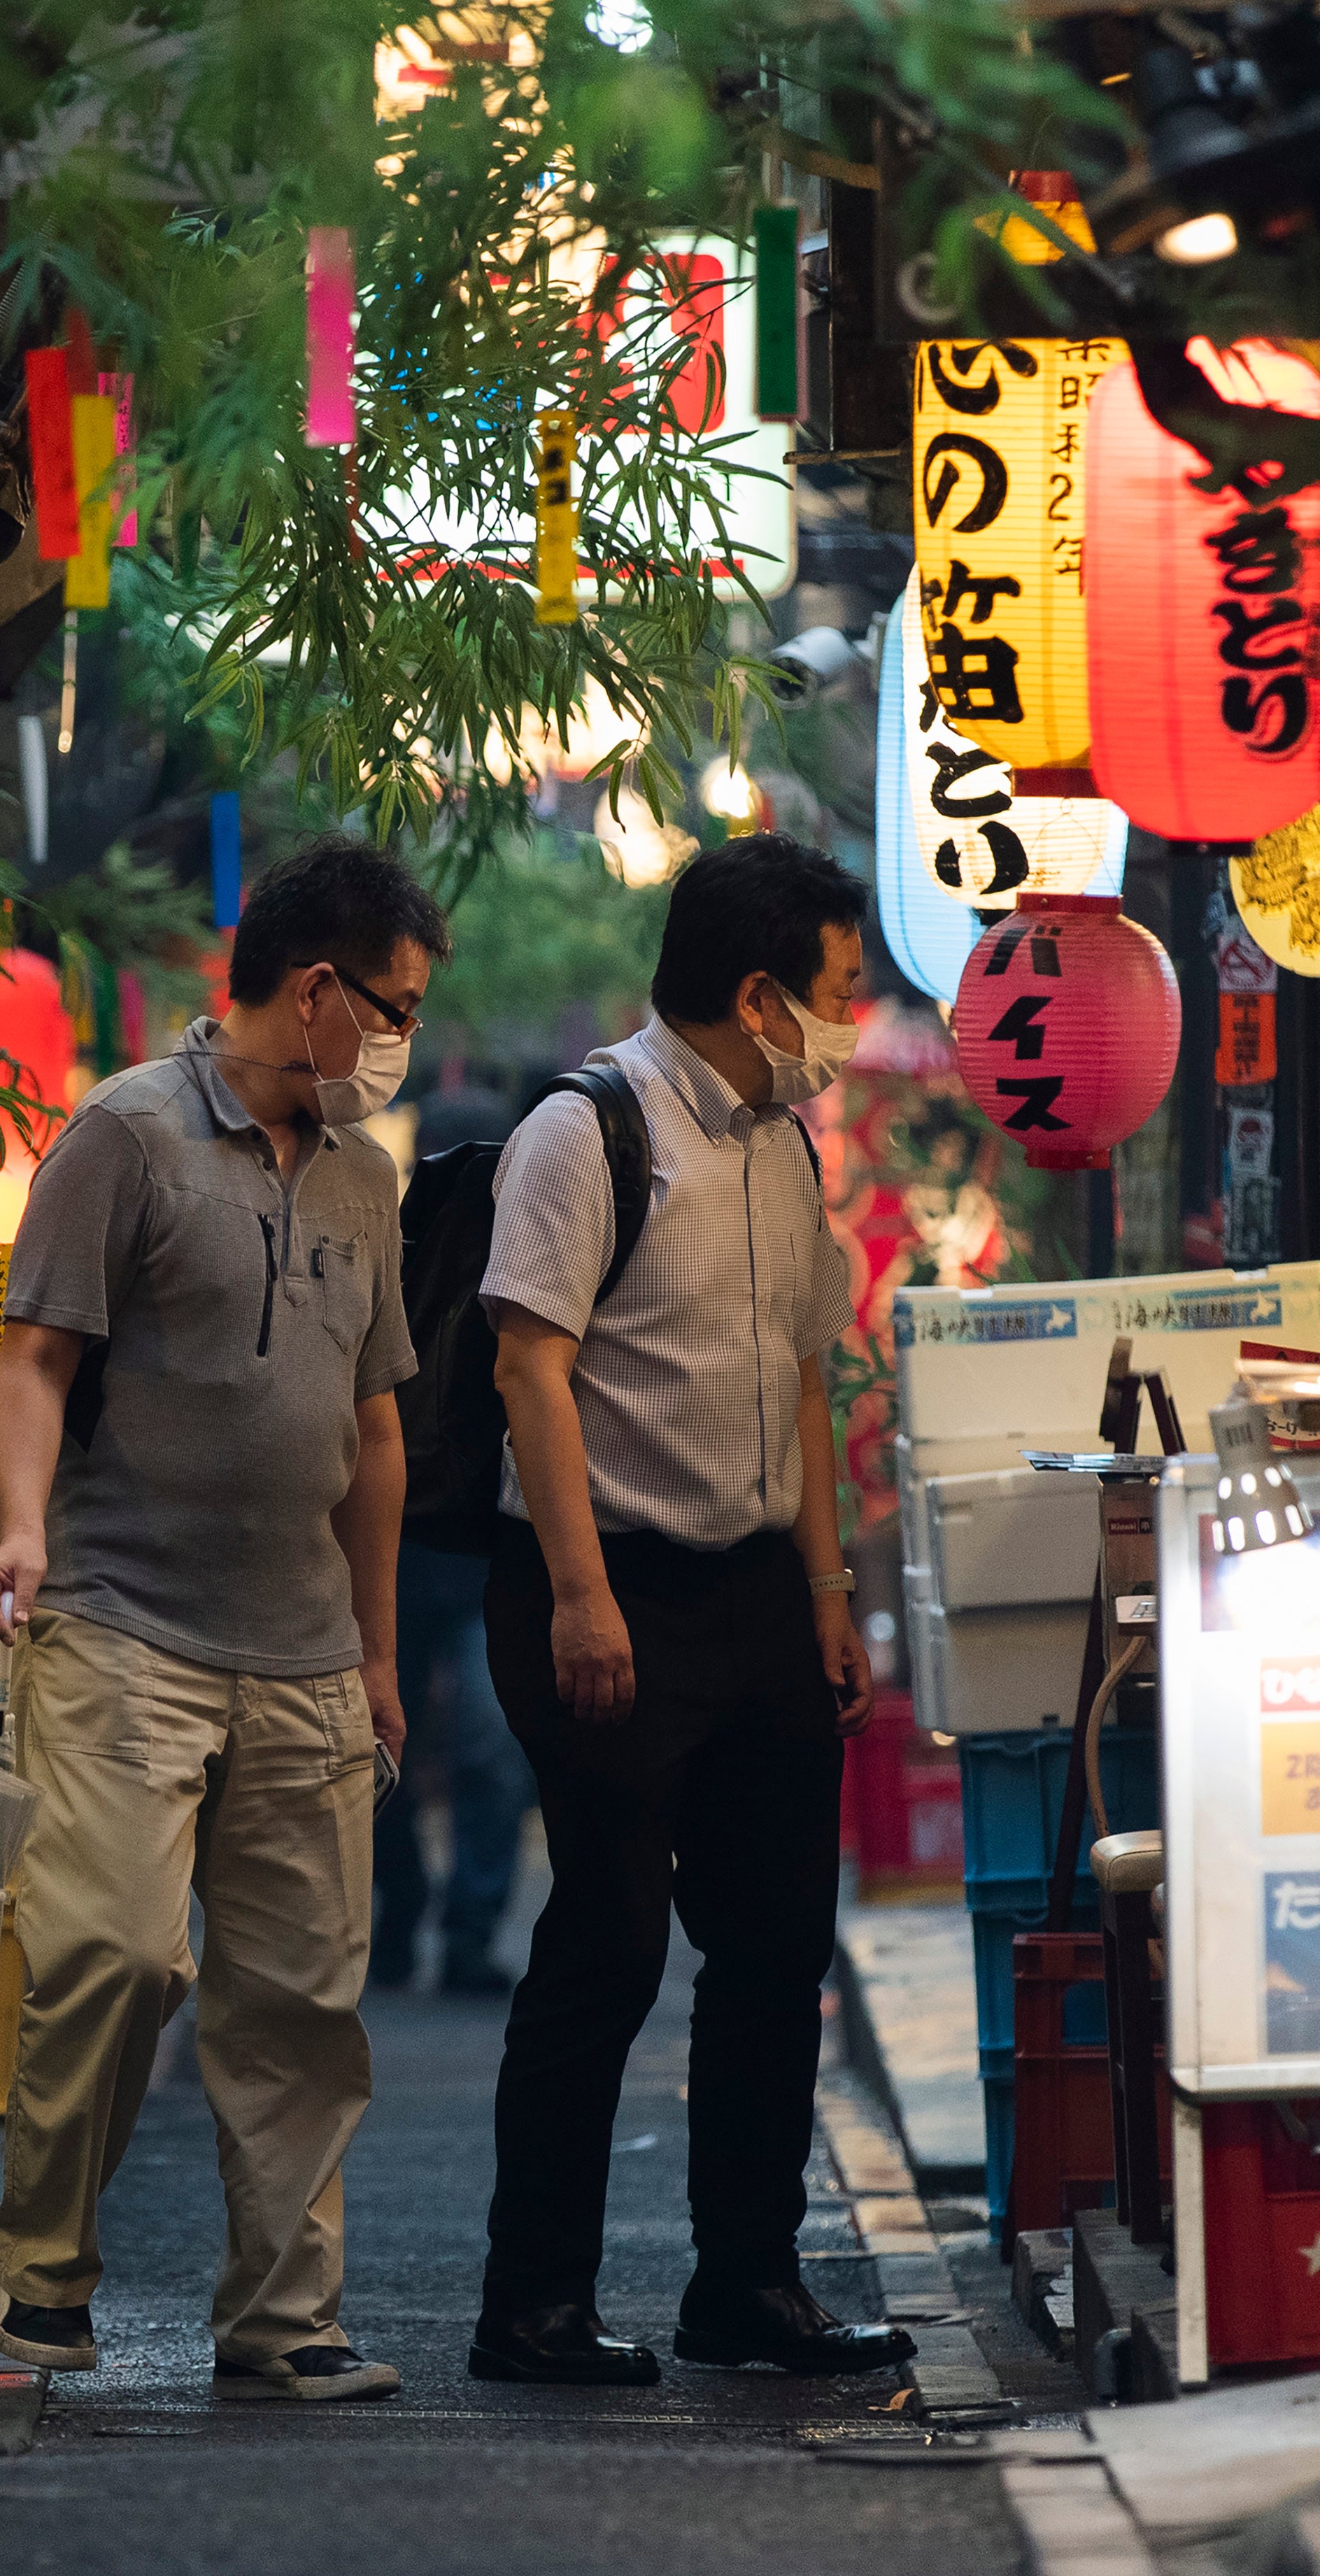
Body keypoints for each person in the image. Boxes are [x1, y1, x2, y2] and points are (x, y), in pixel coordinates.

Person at [0, 839, 443, 2403]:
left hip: (306, 1651)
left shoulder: (369, 1180)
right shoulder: (125, 1135)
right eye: (391, 1009)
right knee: (111, 1952)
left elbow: (376, 1431)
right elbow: (33, 1357)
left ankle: (283, 2318)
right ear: (314, 991)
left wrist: (376, 1651)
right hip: (121, 1623)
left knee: (302, 2005)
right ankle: (40, 2275)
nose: (397, 1044)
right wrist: (24, 1526)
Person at [465, 834, 911, 2386]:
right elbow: (531, 1367)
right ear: (759, 991)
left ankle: (748, 2279)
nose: (851, 1022)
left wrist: (829, 1585)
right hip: (606, 1589)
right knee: (606, 1940)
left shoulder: (784, 1145)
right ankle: (530, 2304)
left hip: (757, 1601)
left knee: (779, 1946)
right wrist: (583, 1599)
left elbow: (798, 1370)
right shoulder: (586, 1134)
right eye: (842, 992)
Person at [369, 1539, 530, 1996]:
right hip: (391, 1551)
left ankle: (469, 1936)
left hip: (490, 1559)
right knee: (371, 1749)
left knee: (494, 1742)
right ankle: (398, 1896)